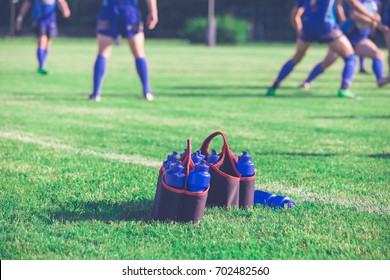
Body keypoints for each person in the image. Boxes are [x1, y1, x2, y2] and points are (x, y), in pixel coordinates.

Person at [267, 0, 382, 99]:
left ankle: (273, 87)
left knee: (296, 58)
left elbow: (294, 16)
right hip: (326, 26)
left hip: (307, 26)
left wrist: (300, 31)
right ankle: (344, 89)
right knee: (350, 56)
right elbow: (354, 4)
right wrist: (372, 17)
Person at [300, 0, 390, 89]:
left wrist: (378, 25)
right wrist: (373, 21)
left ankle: (380, 79)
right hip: (346, 36)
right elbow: (355, 15)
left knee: (377, 54)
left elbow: (375, 17)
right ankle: (307, 81)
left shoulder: (376, 2)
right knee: (327, 62)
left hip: (359, 39)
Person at [89, 0, 158, 102]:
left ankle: (96, 94)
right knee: (138, 52)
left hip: (109, 9)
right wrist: (153, 11)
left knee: (103, 51)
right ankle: (147, 91)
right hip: (130, 10)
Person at [16, 0, 71, 75]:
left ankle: (43, 63)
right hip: (39, 20)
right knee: (42, 40)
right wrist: (20, 18)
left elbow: (61, 2)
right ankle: (41, 66)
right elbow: (27, 3)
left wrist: (65, 10)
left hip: (51, 20)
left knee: (48, 43)